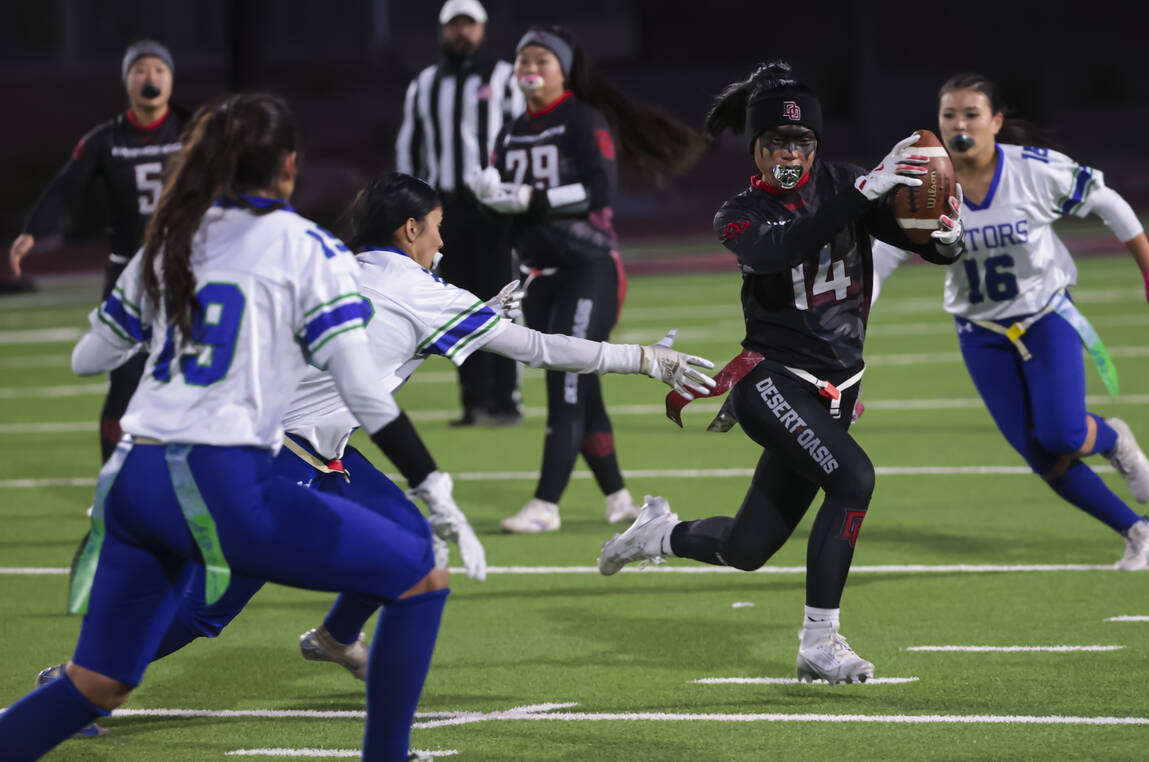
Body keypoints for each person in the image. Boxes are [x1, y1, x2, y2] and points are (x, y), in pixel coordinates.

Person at [31, 171, 716, 738]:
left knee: (410, 545)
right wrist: (643, 357)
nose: (443, 239)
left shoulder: (341, 266)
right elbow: (540, 349)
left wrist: (473, 312)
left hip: (308, 452)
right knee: (206, 608)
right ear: (410, 229)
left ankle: (334, 638)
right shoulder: (415, 289)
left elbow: (381, 343)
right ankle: (74, 680)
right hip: (275, 464)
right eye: (437, 227)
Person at [0, 93, 451, 762]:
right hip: (218, 480)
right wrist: (428, 476)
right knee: (420, 575)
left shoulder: (169, 237)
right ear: (290, 165)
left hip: (131, 479)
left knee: (95, 684)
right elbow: (360, 386)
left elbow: (87, 357)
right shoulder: (307, 247)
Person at [596, 62, 965, 685]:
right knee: (854, 479)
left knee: (747, 548)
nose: (790, 154)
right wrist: (863, 190)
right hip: (772, 381)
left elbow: (920, 239)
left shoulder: (846, 185)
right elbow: (778, 248)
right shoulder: (739, 211)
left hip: (839, 389)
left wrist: (946, 237)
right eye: (777, 143)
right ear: (756, 147)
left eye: (802, 143)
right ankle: (820, 642)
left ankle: (657, 534)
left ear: (816, 146)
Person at [870, 72, 1149, 570]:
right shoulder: (926, 182)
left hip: (1044, 314)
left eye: (971, 113)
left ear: (996, 121)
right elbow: (881, 259)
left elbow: (1108, 201)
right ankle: (1137, 531)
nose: (959, 123)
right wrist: (853, 337)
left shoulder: (1033, 170)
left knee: (1061, 433)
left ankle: (1112, 438)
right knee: (1041, 456)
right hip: (980, 331)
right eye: (949, 114)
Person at [468, 24, 708, 533]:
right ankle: (619, 497)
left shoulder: (582, 118)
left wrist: (532, 199)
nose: (530, 70)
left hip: (589, 268)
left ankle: (546, 503)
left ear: (562, 69)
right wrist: (488, 197)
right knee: (583, 383)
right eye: (523, 61)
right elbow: (508, 206)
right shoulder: (511, 130)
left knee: (566, 377)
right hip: (540, 275)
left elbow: (599, 191)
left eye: (541, 61)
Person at [9, 40, 189, 463]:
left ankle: (186, 487)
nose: (151, 77)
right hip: (127, 276)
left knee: (193, 380)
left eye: (159, 70)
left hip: (184, 273)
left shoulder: (192, 130)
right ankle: (113, 482)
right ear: (127, 80)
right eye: (141, 69)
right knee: (124, 382)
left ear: (171, 79)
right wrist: (33, 231)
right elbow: (67, 186)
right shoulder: (105, 139)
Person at [396, 0, 525, 427]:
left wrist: (516, 192)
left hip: (494, 207)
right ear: (443, 31)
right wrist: (409, 204)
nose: (461, 33)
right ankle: (473, 402)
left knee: (500, 299)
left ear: (483, 28)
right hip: (444, 208)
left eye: (468, 24)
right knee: (456, 303)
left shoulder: (506, 79)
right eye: (454, 25)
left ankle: (505, 400)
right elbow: (409, 148)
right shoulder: (425, 83)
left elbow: (523, 139)